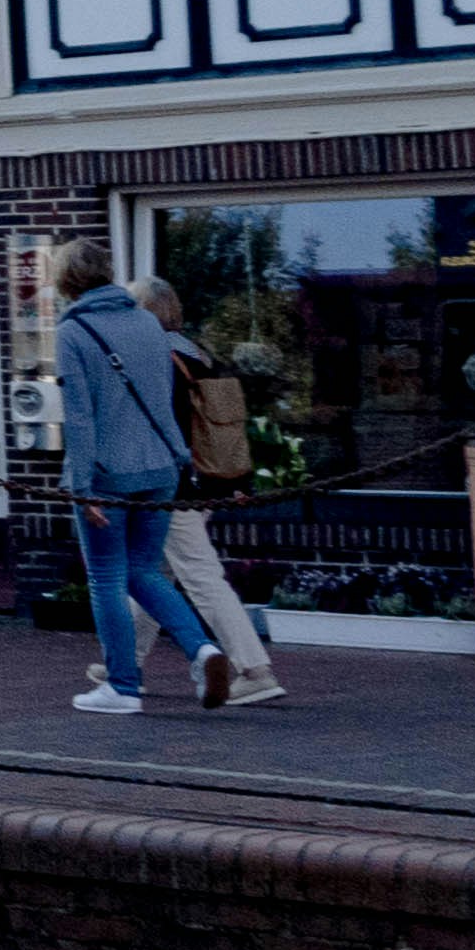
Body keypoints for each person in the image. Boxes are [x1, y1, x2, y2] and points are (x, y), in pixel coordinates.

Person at [48, 238, 223, 712]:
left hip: (108, 475)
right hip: (162, 466)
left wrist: (82, 488)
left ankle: (122, 686)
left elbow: (80, 418)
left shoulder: (72, 331)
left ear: (64, 280)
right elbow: (161, 398)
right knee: (144, 570)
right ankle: (202, 649)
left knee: (106, 576)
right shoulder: (147, 321)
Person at [124, 278, 289, 711]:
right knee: (151, 573)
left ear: (144, 314)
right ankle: (123, 664)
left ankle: (255, 671)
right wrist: (231, 483)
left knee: (199, 577)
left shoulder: (156, 357)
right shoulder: (197, 355)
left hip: (170, 489)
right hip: (203, 482)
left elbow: (162, 428)